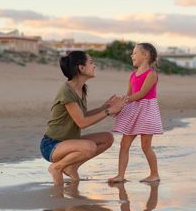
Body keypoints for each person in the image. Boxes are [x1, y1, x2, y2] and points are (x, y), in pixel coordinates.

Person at [40, 51, 125, 186]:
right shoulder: (67, 91)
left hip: (69, 142)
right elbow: (82, 123)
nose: (94, 65)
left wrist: (103, 107)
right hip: (51, 145)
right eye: (91, 62)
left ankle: (71, 166)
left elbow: (82, 115)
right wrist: (108, 112)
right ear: (81, 68)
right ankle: (57, 167)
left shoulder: (81, 89)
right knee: (89, 147)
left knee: (107, 138)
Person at [108, 43, 163, 183]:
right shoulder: (132, 75)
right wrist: (120, 105)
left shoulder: (151, 74)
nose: (132, 55)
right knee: (124, 144)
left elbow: (142, 94)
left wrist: (124, 100)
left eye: (135, 53)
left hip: (146, 111)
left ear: (145, 56)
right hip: (133, 111)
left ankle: (154, 174)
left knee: (146, 146)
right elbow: (129, 94)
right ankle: (120, 175)